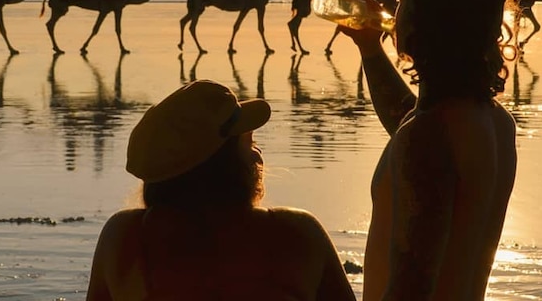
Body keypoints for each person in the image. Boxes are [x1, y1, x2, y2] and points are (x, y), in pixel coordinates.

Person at [338, 0, 518, 301]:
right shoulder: (493, 122)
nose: (394, 10)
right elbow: (408, 121)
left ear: (430, 16)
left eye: (403, 0)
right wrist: (370, 48)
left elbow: (415, 282)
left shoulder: (430, 135)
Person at [86, 80, 357, 301]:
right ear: (226, 166)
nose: (258, 154)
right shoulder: (296, 233)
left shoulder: (124, 239)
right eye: (248, 143)